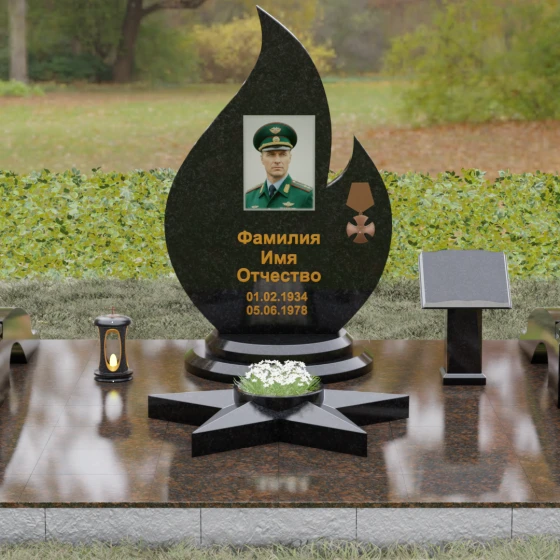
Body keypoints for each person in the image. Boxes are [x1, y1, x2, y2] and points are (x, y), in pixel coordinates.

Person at [245, 122, 313, 210]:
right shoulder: (249, 198)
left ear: (290, 158)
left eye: (283, 154)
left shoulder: (306, 196)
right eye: (270, 155)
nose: (277, 161)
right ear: (262, 159)